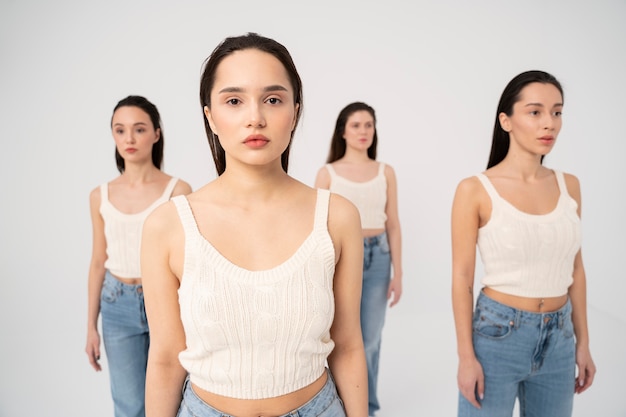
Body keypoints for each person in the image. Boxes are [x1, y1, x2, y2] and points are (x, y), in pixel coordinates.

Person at [140, 33, 368, 417]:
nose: (255, 117)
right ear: (210, 116)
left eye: (273, 100)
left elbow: (347, 345)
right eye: (233, 101)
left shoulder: (337, 216)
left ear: (294, 112)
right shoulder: (168, 225)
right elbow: (165, 358)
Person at [451, 70, 596, 417]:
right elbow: (461, 279)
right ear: (506, 120)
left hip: (560, 339)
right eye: (535, 112)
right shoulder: (474, 190)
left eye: (557, 112)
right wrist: (466, 357)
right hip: (498, 336)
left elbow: (575, 268)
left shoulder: (569, 185)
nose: (550, 123)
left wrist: (584, 343)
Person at [85, 95, 192, 417]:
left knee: (172, 401)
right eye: (120, 130)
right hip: (117, 305)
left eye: (139, 129)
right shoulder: (100, 195)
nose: (129, 138)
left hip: (167, 301)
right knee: (130, 405)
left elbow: (189, 265)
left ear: (156, 134)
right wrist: (91, 326)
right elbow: (96, 261)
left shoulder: (178, 191)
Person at [315, 102, 403, 417]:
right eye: (356, 125)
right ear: (343, 131)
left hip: (379, 257)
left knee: (370, 337)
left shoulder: (385, 172)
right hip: (340, 259)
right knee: (341, 335)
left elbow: (393, 222)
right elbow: (318, 226)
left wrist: (398, 273)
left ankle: (366, 406)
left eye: (368, 125)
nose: (363, 131)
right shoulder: (327, 174)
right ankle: (339, 400)